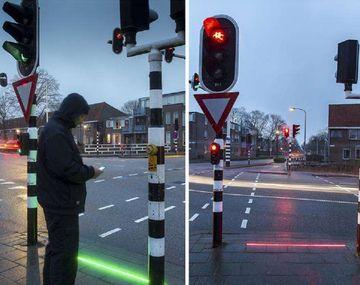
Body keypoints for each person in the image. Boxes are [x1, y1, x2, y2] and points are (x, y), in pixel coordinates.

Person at [37, 93, 103, 285]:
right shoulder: (57, 132)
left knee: (56, 250)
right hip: (62, 203)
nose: (82, 119)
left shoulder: (56, 129)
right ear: (72, 112)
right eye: (82, 115)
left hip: (57, 201)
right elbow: (67, 169)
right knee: (65, 256)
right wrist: (91, 171)